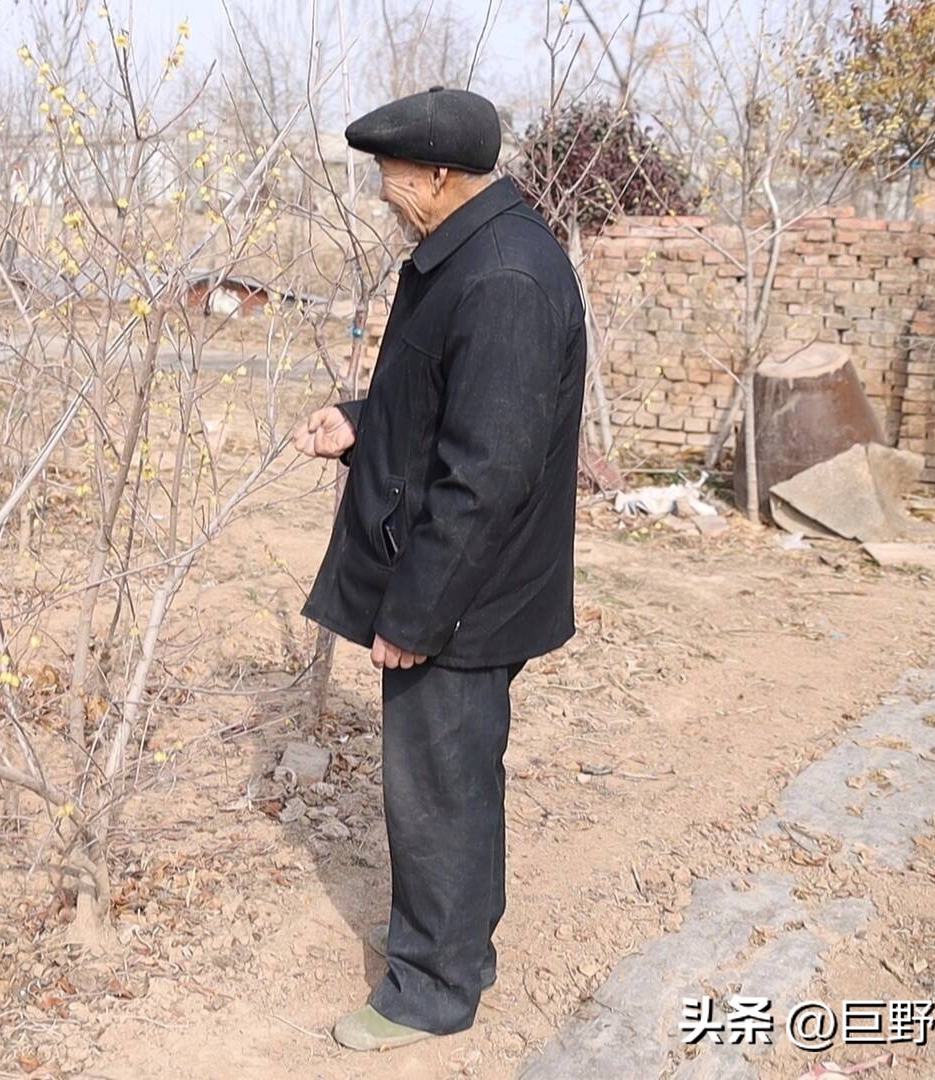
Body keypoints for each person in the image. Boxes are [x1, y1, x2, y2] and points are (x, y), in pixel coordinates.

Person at [293, 87, 586, 1050]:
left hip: (465, 595)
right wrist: (359, 422)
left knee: (437, 789)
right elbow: (444, 402)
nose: (384, 195)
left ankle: (431, 989)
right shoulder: (469, 253)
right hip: (461, 580)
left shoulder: (505, 278)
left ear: (438, 174)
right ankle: (457, 947)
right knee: (454, 776)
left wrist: (415, 615)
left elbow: (486, 475)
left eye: (390, 178)